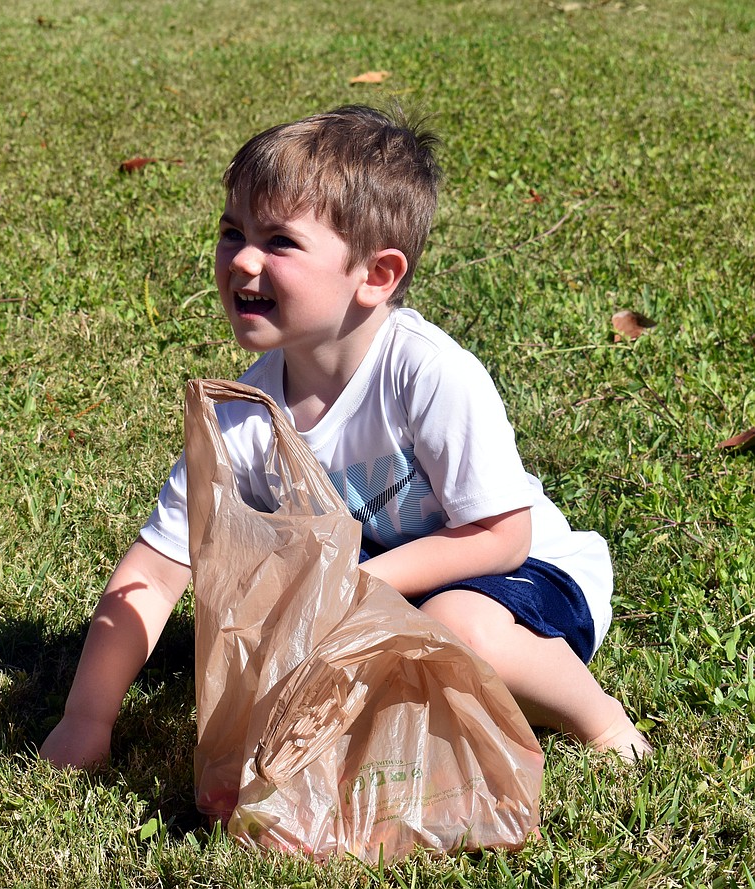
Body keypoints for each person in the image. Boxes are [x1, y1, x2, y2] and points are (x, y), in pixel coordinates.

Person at [40, 104, 651, 770]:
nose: (242, 259)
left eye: (280, 242)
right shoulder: (243, 414)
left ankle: (599, 718)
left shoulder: (426, 373)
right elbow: (154, 574)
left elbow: (504, 535)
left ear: (377, 276)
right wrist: (86, 719)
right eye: (231, 231)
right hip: (381, 594)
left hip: (526, 577)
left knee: (453, 622)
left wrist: (358, 584)